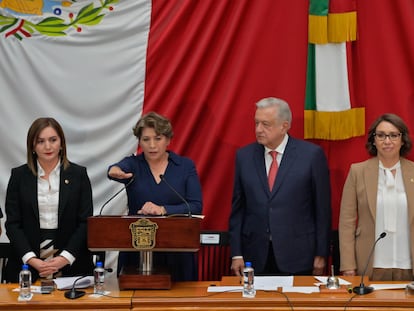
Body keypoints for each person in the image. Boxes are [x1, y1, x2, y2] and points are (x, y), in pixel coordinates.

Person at [229, 97, 331, 277]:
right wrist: (236, 253)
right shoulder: (244, 157)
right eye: (256, 123)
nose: (258, 129)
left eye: (265, 124)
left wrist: (321, 253)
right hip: (255, 256)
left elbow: (322, 209)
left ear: (284, 126)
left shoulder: (311, 155)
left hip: (299, 256)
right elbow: (238, 209)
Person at [108, 111, 202, 281]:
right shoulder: (134, 164)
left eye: (157, 138)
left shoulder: (184, 166)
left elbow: (195, 206)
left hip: (176, 249)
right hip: (137, 248)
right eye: (146, 139)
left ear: (168, 140)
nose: (152, 145)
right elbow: (115, 169)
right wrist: (114, 171)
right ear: (139, 142)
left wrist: (163, 210)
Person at [4, 117, 94, 283]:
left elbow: (85, 223)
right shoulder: (18, 176)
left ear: (61, 143)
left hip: (72, 265)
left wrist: (64, 258)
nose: (48, 146)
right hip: (26, 266)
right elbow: (12, 224)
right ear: (32, 146)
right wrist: (32, 259)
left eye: (53, 140)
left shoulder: (79, 175)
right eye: (40, 141)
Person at [339, 113, 414, 281]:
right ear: (373, 140)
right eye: (381, 135)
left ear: (403, 140)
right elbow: (346, 221)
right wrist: (348, 264)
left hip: (408, 265)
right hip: (370, 264)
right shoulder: (358, 172)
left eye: (394, 135)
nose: (387, 141)